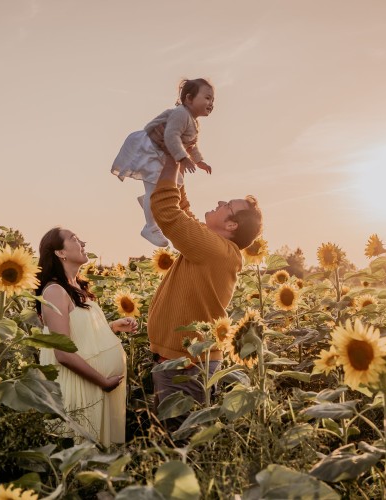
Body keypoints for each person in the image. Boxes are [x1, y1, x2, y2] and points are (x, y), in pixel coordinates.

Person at [147, 154, 263, 428]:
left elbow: (168, 213)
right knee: (173, 437)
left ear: (232, 225)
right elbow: (184, 213)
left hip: (188, 362)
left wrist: (173, 161)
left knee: (180, 441)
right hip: (181, 358)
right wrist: (178, 164)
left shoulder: (216, 251)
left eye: (228, 205)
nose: (221, 203)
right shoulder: (214, 247)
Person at [36, 227, 137, 446]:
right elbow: (62, 352)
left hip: (97, 387)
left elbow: (82, 335)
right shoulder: (54, 291)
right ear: (60, 253)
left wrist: (113, 327)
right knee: (84, 458)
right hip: (84, 388)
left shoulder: (76, 288)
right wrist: (103, 382)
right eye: (74, 238)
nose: (83, 242)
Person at [111, 78, 215, 247]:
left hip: (162, 154)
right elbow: (171, 136)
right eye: (207, 98)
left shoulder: (193, 122)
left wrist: (200, 161)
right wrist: (182, 158)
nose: (211, 103)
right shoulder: (181, 113)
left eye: (213, 100)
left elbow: (191, 144)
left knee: (171, 186)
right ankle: (150, 227)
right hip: (151, 151)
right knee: (157, 188)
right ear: (189, 99)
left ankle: (148, 201)